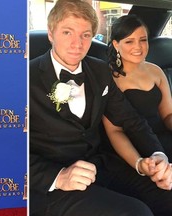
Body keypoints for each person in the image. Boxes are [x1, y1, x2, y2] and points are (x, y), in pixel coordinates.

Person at [29, 0, 172, 215]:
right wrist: (58, 177)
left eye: (85, 35)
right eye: (67, 32)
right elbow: (11, 147)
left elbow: (130, 119)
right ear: (51, 33)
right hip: (54, 180)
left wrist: (157, 154)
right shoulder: (25, 77)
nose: (77, 43)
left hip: (102, 165)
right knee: (136, 212)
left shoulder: (100, 71)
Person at [103, 15, 172, 173]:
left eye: (143, 40)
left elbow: (168, 115)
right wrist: (139, 163)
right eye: (129, 41)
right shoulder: (109, 78)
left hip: (164, 137)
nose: (138, 47)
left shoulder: (156, 71)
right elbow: (115, 131)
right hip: (132, 148)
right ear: (116, 44)